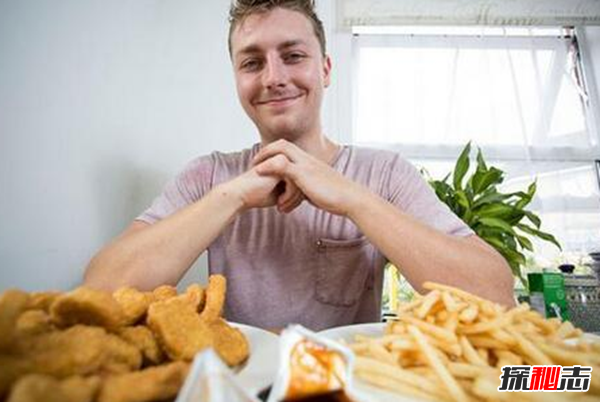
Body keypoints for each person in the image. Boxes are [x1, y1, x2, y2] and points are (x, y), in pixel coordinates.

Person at [84, 0, 515, 331]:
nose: (273, 77)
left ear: (325, 69)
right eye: (252, 62)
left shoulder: (385, 174)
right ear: (237, 79)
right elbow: (102, 292)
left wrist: (352, 199)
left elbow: (494, 296)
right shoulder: (207, 176)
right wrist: (232, 195)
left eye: (293, 56)